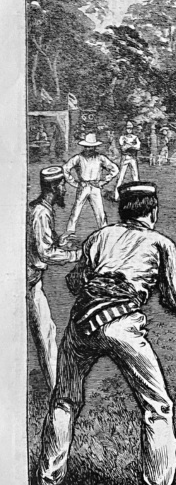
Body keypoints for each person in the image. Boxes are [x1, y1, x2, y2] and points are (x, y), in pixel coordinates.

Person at [35, 182, 176, 485]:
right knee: (157, 407)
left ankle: (48, 478)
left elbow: (73, 281)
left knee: (64, 399)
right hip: (121, 323)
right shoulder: (160, 243)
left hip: (82, 321)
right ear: (151, 211)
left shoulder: (100, 236)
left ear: (122, 210)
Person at [27, 167, 82, 391]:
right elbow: (46, 254)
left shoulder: (38, 209)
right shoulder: (41, 212)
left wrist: (61, 241)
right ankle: (56, 392)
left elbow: (41, 244)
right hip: (29, 283)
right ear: (53, 187)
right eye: (62, 186)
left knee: (47, 334)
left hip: (32, 280)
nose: (64, 190)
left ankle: (55, 388)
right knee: (46, 336)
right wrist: (76, 255)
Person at [62, 133, 119, 238]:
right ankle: (70, 231)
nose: (89, 149)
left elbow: (114, 169)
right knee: (76, 209)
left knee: (100, 211)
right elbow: (66, 168)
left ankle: (104, 232)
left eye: (91, 147)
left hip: (95, 187)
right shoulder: (79, 158)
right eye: (87, 147)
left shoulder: (100, 158)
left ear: (94, 147)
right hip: (83, 186)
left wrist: (103, 181)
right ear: (84, 146)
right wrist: (73, 182)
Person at [113, 121, 141, 202]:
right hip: (125, 158)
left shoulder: (135, 137)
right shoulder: (122, 137)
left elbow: (138, 147)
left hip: (133, 158)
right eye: (127, 128)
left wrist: (129, 145)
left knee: (135, 176)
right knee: (121, 177)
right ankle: (116, 196)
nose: (129, 130)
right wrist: (131, 146)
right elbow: (123, 147)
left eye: (130, 128)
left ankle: (137, 196)